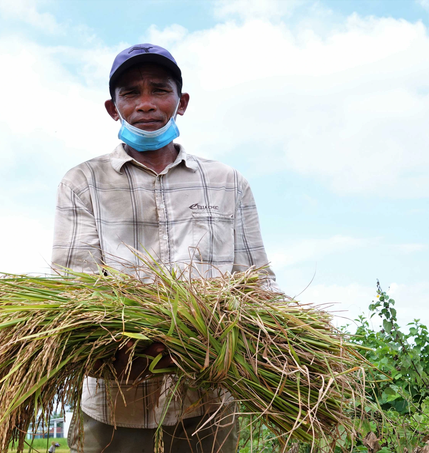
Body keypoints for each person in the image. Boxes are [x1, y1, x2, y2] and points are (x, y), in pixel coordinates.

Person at [51, 43, 279, 453]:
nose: (145, 104)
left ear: (182, 102)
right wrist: (141, 340)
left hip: (208, 398)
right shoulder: (82, 182)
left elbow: (257, 283)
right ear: (112, 107)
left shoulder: (227, 182)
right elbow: (74, 287)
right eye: (130, 94)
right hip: (116, 402)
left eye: (159, 90)